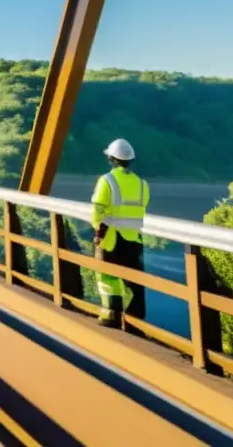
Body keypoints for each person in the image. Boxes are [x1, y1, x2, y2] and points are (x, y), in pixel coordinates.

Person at [91, 138, 150, 328]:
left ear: (111, 158)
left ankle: (111, 315)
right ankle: (136, 324)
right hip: (134, 238)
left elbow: (98, 211)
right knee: (134, 282)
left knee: (108, 276)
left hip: (111, 238)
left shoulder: (106, 181)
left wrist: (98, 232)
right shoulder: (142, 184)